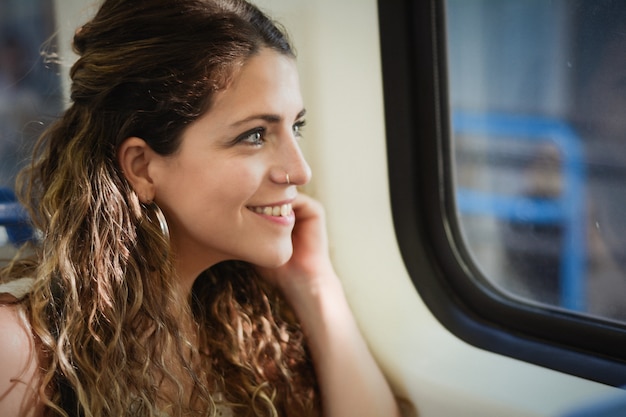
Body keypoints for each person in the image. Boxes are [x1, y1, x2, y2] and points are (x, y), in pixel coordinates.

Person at [0, 0, 402, 416]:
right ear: (142, 167)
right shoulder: (21, 352)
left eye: (296, 126)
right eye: (255, 135)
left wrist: (315, 285)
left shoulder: (240, 329)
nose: (300, 171)